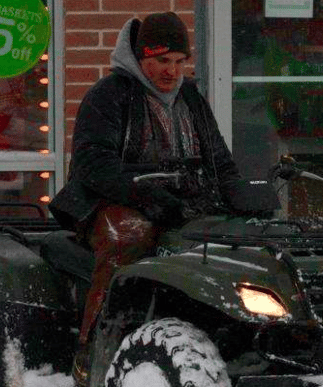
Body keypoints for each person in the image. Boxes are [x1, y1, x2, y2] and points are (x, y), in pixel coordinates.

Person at [48, 12, 241, 385]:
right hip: (109, 201)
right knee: (129, 239)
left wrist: (242, 195)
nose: (172, 71)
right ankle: (93, 349)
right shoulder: (110, 94)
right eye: (161, 62)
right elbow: (92, 163)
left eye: (179, 62)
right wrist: (141, 193)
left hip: (181, 201)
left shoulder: (191, 98)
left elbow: (219, 160)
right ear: (140, 58)